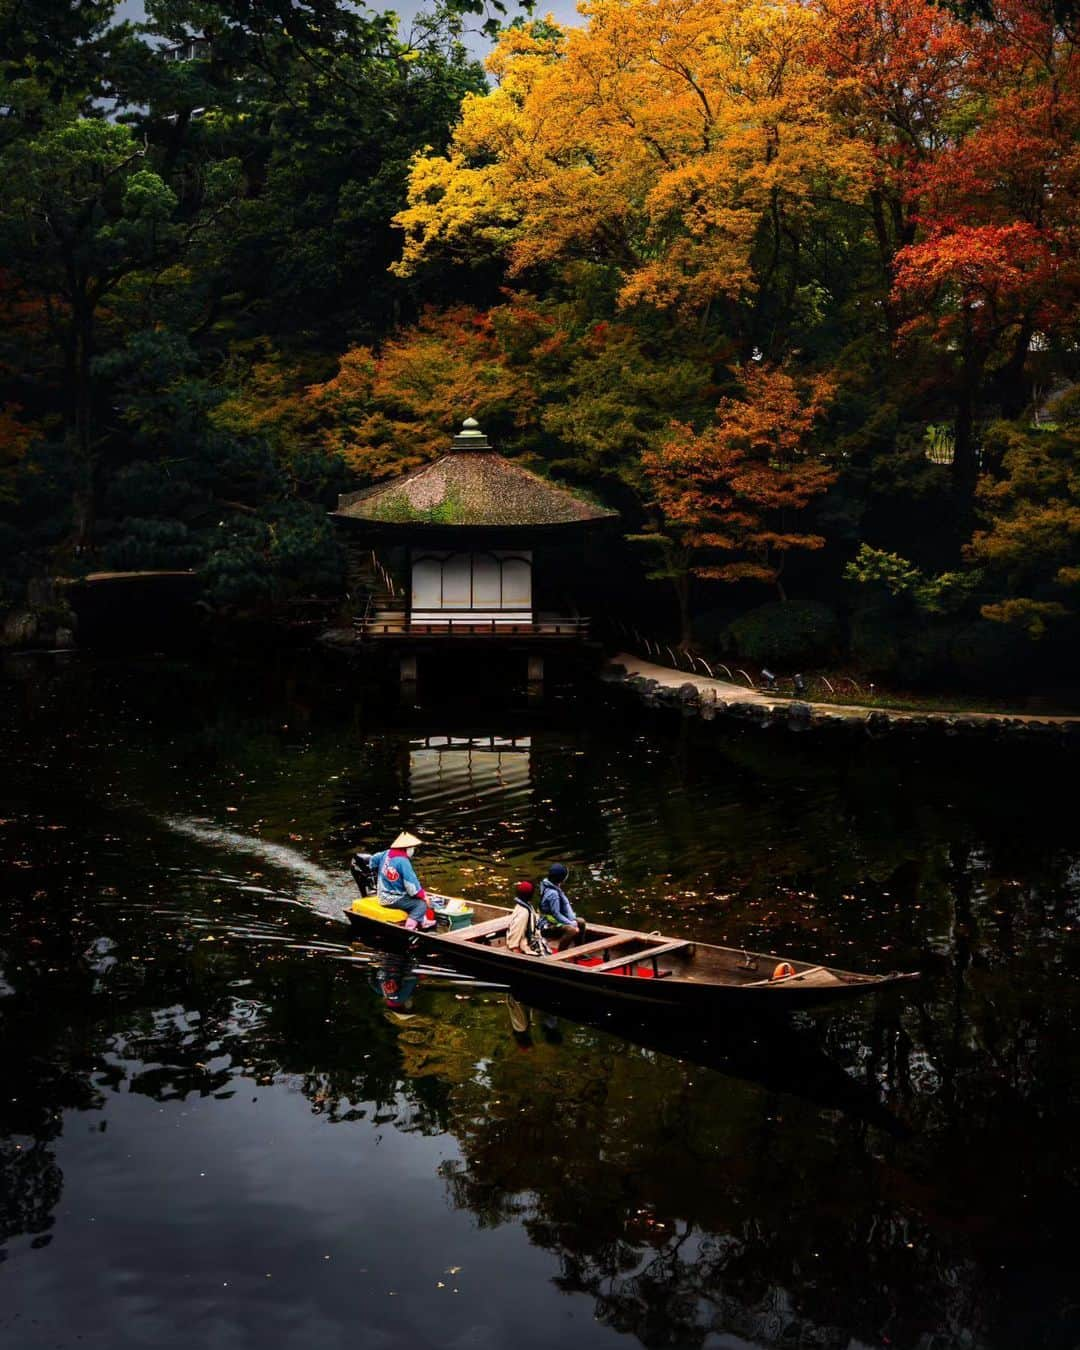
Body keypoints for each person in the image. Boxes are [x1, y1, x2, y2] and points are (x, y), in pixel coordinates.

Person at [370, 831, 435, 930]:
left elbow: (373, 859)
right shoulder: (403, 862)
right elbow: (412, 886)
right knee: (420, 904)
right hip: (392, 899)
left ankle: (423, 920)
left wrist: (375, 871)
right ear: (407, 848)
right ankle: (410, 927)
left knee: (414, 899)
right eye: (412, 848)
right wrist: (424, 897)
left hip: (382, 894)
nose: (413, 850)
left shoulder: (387, 853)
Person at [538, 863, 586, 951]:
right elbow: (556, 914)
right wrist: (571, 923)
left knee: (581, 922)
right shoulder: (553, 894)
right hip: (547, 925)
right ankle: (562, 953)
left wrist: (572, 920)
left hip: (555, 921)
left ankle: (580, 950)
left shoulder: (554, 887)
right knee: (571, 930)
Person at [506, 880, 550, 956]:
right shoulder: (524, 913)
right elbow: (516, 929)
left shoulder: (525, 906)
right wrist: (514, 948)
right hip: (525, 944)